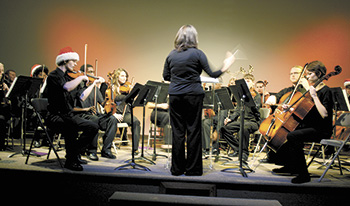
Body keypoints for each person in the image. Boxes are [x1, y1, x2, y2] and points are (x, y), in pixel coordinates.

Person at [162, 24, 235, 176]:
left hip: (175, 96)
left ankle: (177, 169)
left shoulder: (171, 55)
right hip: (193, 96)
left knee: (177, 132)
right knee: (194, 130)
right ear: (194, 38)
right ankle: (193, 170)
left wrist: (179, 78)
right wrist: (226, 65)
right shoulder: (198, 54)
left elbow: (166, 76)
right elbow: (213, 74)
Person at [272, 61, 333, 184]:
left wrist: (315, 96)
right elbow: (309, 111)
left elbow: (325, 114)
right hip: (310, 125)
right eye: (307, 74)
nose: (307, 76)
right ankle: (290, 166)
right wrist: (290, 108)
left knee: (293, 135)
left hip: (321, 129)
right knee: (287, 131)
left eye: (310, 74)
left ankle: (303, 174)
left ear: (319, 74)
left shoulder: (325, 91)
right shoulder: (312, 89)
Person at [46, 46, 99, 171]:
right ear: (65, 61)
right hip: (55, 116)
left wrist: (93, 84)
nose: (76, 64)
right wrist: (81, 78)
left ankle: (74, 153)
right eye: (73, 61)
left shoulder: (68, 76)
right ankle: (71, 160)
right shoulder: (53, 76)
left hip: (68, 115)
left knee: (93, 126)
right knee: (70, 127)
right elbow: (67, 87)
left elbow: (81, 97)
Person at [76, 64, 117, 160]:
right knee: (94, 120)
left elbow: (102, 103)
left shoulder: (95, 89)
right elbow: (78, 102)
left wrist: (109, 97)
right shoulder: (78, 87)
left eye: (93, 72)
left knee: (112, 119)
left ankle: (106, 150)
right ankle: (91, 151)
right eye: (90, 72)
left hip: (94, 114)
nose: (93, 74)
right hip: (82, 114)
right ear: (84, 73)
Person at [220, 74, 261, 164]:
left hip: (252, 122)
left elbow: (257, 111)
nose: (246, 82)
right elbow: (238, 110)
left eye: (249, 81)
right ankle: (238, 149)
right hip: (242, 121)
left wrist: (251, 100)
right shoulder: (241, 96)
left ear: (253, 83)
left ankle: (244, 153)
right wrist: (230, 118)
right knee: (224, 129)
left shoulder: (256, 95)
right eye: (245, 81)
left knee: (244, 128)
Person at [111, 68, 141, 155]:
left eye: (126, 76)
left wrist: (132, 95)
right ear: (117, 77)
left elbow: (133, 105)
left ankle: (135, 148)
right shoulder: (112, 87)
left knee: (136, 122)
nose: (125, 78)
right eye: (122, 76)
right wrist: (115, 92)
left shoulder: (127, 88)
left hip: (126, 114)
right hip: (114, 113)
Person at [0, 63, 10, 150]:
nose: (2, 74)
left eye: (2, 71)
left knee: (3, 118)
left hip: (2, 110)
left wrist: (7, 91)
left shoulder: (4, 83)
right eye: (0, 71)